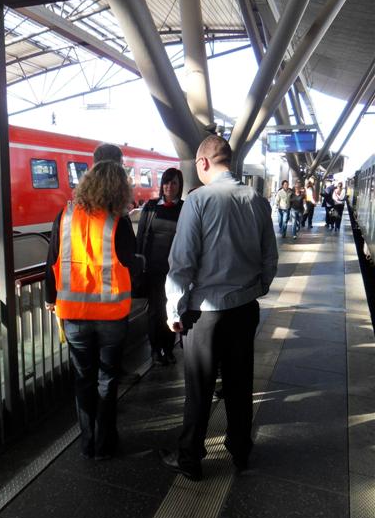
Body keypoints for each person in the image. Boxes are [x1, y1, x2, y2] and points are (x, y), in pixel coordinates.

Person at [159, 135, 278, 481]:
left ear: (204, 163)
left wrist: (173, 311)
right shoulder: (257, 200)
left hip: (204, 315)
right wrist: (257, 288)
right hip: (244, 309)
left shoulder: (198, 201)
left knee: (199, 389)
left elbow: (181, 264)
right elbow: (270, 259)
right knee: (240, 385)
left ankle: (191, 458)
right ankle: (240, 450)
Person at [45, 157, 142, 460]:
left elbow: (51, 262)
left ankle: (88, 444)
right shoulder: (119, 220)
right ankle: (105, 444)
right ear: (119, 188)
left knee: (82, 379)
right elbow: (131, 263)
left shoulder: (65, 215)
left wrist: (51, 299)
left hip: (73, 314)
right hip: (111, 315)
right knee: (107, 379)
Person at [136, 167, 184, 366]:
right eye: (166, 182)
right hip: (153, 270)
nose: (169, 187)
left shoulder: (184, 207)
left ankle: (168, 347)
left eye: (173, 183)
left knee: (171, 310)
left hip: (176, 270)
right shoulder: (152, 206)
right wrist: (139, 264)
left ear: (180, 186)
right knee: (155, 311)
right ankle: (156, 350)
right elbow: (141, 236)